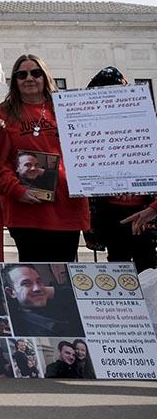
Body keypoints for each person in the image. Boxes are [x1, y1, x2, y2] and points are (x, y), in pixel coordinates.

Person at [0, 54, 89, 262]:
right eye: (21, 74)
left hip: (66, 206)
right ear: (14, 81)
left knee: (64, 276)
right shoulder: (3, 113)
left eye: (36, 73)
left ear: (45, 77)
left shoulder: (67, 108)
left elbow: (90, 149)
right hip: (26, 210)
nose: (29, 78)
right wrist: (17, 190)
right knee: (35, 277)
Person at [84, 67, 157, 272]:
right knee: (118, 263)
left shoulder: (146, 122)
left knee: (148, 263)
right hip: (109, 209)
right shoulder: (89, 128)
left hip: (145, 207)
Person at [2, 263, 84, 337]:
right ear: (11, 292)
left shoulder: (60, 304)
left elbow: (84, 294)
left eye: (39, 282)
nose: (37, 288)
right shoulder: (22, 328)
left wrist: (45, 291)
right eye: (26, 283)